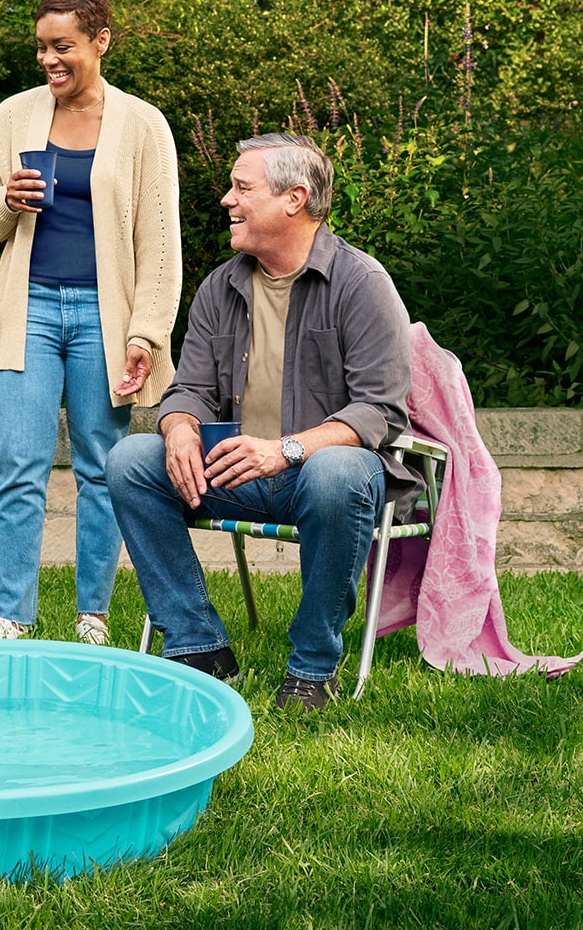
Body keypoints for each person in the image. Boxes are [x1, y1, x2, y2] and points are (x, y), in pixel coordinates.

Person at [107, 133, 413, 711]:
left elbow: (379, 408)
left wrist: (286, 450)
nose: (227, 199)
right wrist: (179, 428)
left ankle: (313, 667)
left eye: (242, 188)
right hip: (236, 473)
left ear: (294, 199)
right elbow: (189, 390)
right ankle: (198, 645)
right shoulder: (220, 287)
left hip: (322, 479)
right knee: (129, 460)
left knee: (339, 471)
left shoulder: (361, 283)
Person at [0, 0, 185, 643]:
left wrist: (146, 333)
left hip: (104, 319)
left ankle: (93, 615)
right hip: (26, 311)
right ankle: (10, 617)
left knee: (101, 467)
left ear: (100, 41)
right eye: (41, 47)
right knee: (19, 465)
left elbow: (160, 246)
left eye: (62, 46)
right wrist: (6, 201)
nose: (48, 60)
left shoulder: (143, 125)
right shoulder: (13, 117)